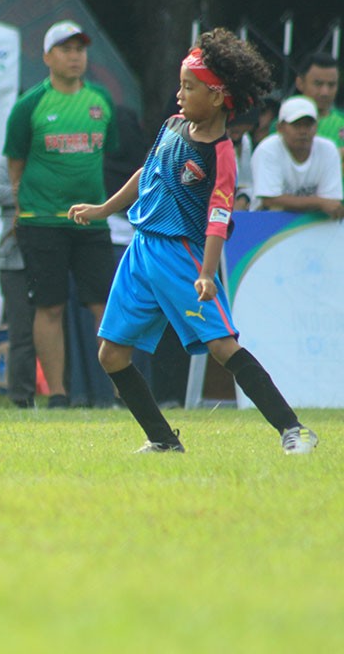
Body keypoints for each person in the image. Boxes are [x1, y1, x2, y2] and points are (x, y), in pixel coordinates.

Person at [68, 27, 319, 455]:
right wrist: (103, 210)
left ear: (219, 97)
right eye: (181, 85)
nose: (180, 94)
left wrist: (205, 272)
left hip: (180, 256)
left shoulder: (221, 153)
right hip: (141, 251)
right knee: (111, 354)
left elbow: (219, 219)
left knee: (222, 346)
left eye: (189, 86)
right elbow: (144, 177)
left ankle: (293, 429)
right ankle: (164, 440)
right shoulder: (172, 125)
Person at [3, 20, 119, 408]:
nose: (74, 56)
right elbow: (14, 162)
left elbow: (113, 155)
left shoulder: (101, 101)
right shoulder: (29, 105)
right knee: (49, 305)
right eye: (66, 49)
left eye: (80, 49)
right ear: (47, 56)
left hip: (93, 220)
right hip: (42, 221)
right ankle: (57, 394)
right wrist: (23, 207)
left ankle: (123, 392)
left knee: (104, 304)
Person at [0, 156, 37, 407]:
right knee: (21, 331)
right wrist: (27, 191)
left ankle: (61, 393)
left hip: (48, 256)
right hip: (12, 260)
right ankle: (21, 396)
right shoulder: (8, 162)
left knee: (55, 328)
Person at [252, 95, 344, 217]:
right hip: (266, 221)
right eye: (296, 125)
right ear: (280, 128)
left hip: (311, 224)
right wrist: (320, 202)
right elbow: (269, 200)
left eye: (308, 125)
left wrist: (324, 203)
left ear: (316, 128)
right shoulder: (268, 149)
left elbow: (332, 202)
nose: (303, 131)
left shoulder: (328, 149)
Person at [293, 52, 344, 158]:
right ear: (300, 83)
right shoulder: (286, 121)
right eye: (318, 84)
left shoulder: (342, 121)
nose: (325, 92)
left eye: (331, 85)